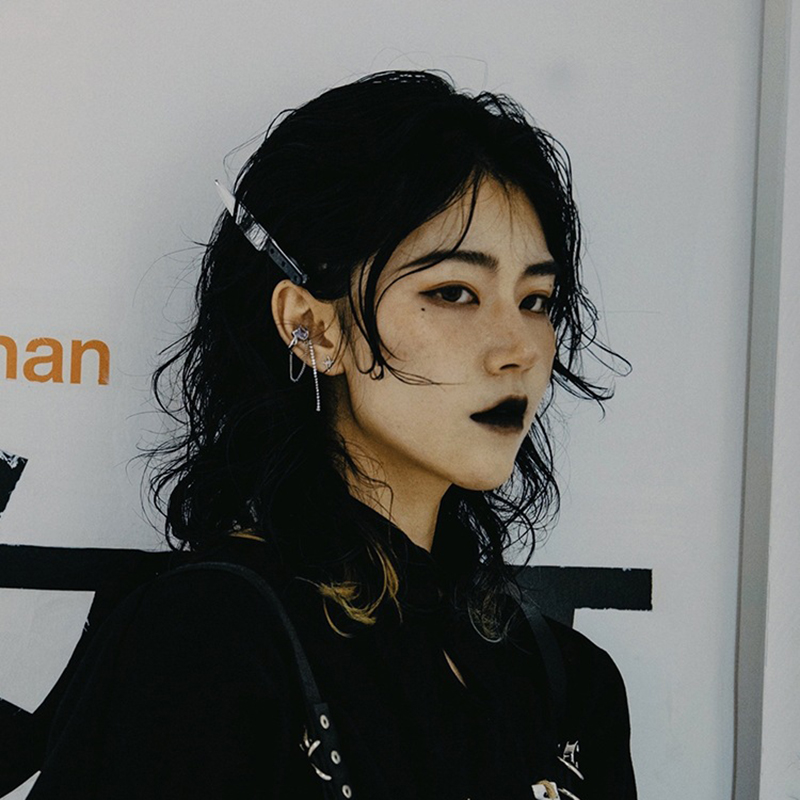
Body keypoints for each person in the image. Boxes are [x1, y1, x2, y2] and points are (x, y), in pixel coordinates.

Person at [28, 70, 635, 799]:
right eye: (454, 292)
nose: (520, 350)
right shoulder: (208, 638)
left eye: (536, 300)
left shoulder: (569, 681)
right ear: (312, 328)